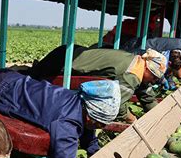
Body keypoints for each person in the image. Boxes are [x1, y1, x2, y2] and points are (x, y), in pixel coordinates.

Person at [29, 47, 167, 123]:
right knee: (31, 83)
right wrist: (133, 119)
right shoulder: (133, 74)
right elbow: (118, 105)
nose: (154, 80)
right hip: (63, 61)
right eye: (154, 77)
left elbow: (146, 95)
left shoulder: (138, 62)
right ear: (147, 69)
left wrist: (161, 116)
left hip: (68, 52)